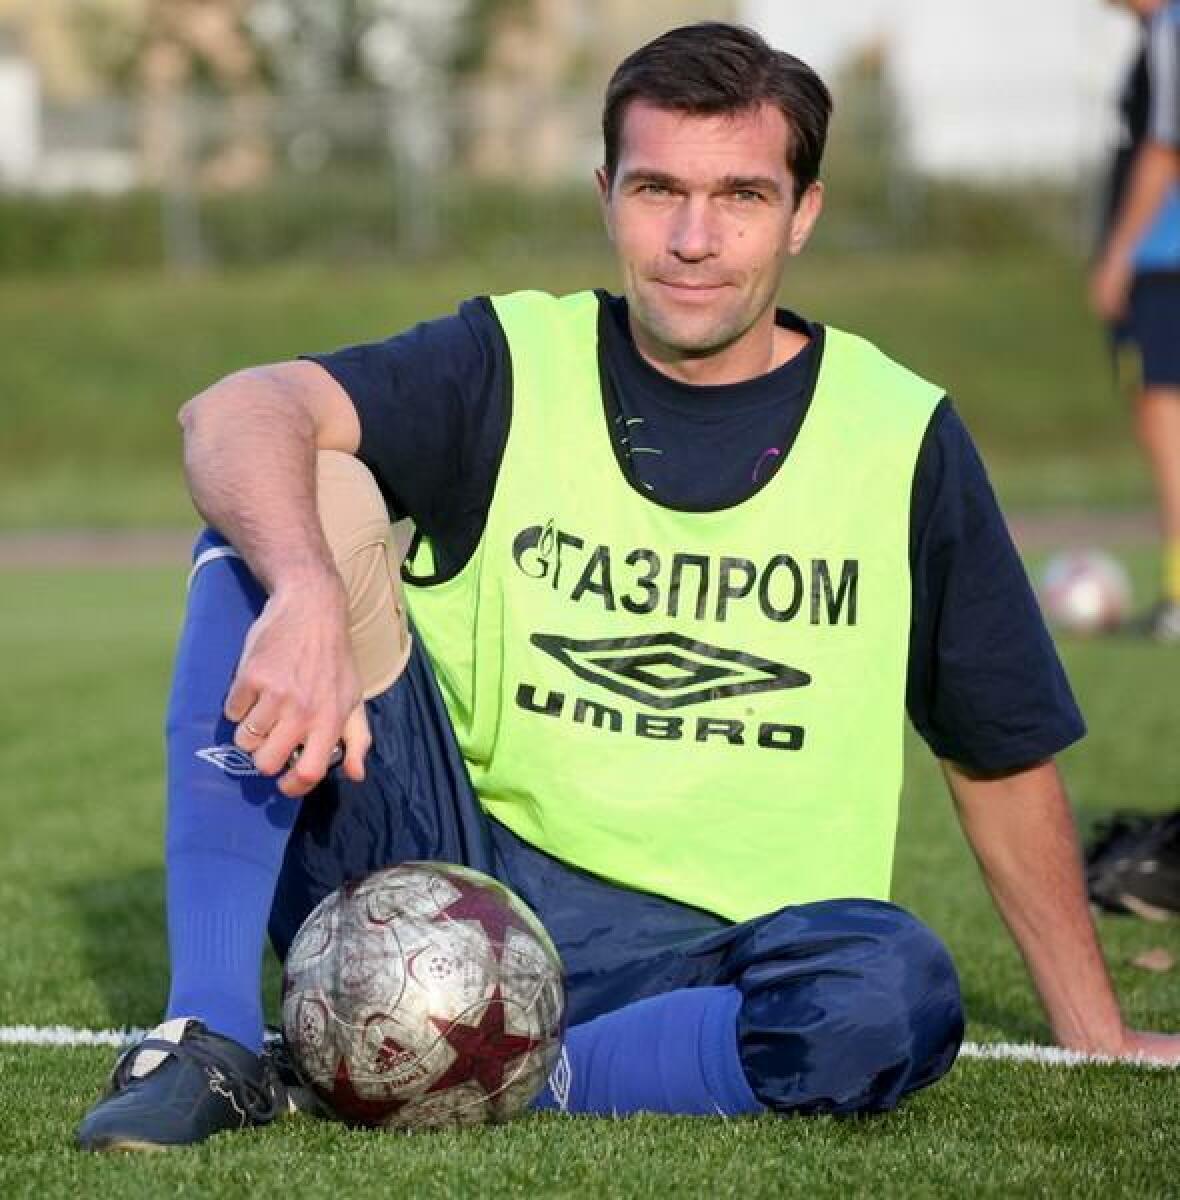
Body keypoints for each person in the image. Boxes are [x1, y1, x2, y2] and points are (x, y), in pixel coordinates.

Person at [78, 22, 1180, 1152]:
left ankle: (522, 1071)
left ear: (802, 212)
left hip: (718, 954)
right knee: (292, 491)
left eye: (741, 196)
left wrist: (1093, 1030)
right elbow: (234, 411)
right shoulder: (513, 360)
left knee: (890, 990)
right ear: (606, 194)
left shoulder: (900, 435)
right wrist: (306, 588)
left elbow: (997, 746)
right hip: (445, 876)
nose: (694, 239)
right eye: (659, 190)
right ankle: (209, 1036)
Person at [1091, 0, 1180, 640]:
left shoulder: (1172, 29)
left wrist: (1118, 256)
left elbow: (1165, 146)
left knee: (1166, 422)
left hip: (1165, 265)